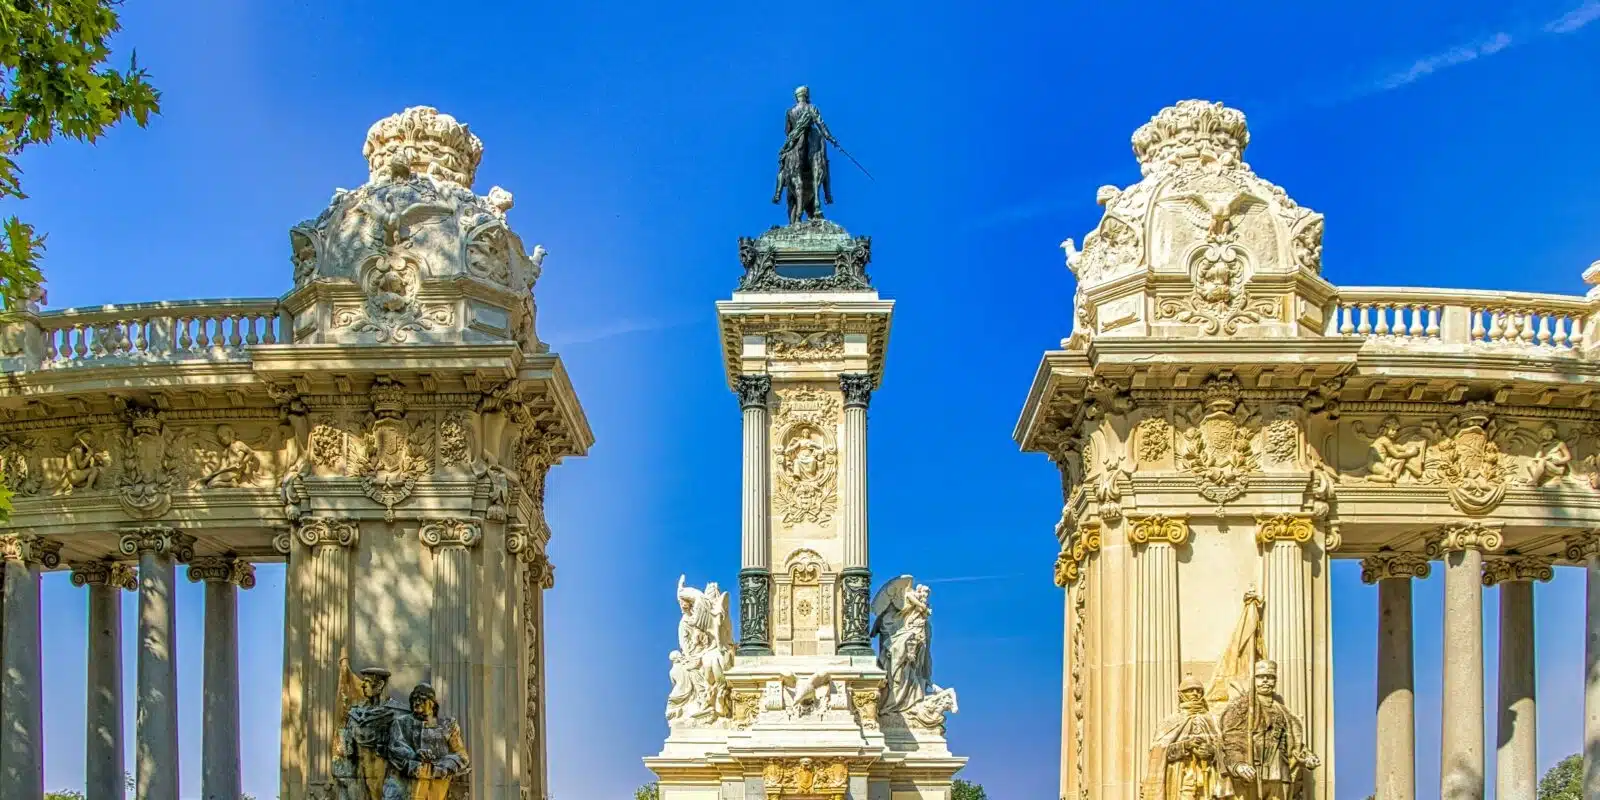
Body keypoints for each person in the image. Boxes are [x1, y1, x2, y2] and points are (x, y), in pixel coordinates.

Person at [1219, 660, 1320, 800]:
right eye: (1261, 676)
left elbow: (1292, 743)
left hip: (1280, 770)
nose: (1265, 680)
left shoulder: (1283, 710)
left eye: (1270, 677)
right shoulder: (1241, 706)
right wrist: (1238, 764)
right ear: (1253, 679)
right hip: (1253, 770)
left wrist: (1306, 756)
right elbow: (1230, 739)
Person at [1141, 675, 1229, 800]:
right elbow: (1159, 753)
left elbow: (1225, 749)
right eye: (1190, 690)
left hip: (1208, 777)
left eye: (1198, 690)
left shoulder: (1212, 720)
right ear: (1181, 694)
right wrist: (1185, 746)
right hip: (1180, 776)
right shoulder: (1170, 721)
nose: (1195, 693)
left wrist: (1212, 751)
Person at [383, 683, 470, 800]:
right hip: (409, 787)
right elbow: (395, 747)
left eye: (422, 698)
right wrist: (414, 755)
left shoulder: (447, 725)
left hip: (438, 787)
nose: (417, 702)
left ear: (432, 702)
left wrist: (445, 766)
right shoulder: (401, 723)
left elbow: (462, 756)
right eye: (414, 698)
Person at [333, 659, 404, 800]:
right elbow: (347, 747)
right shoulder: (356, 713)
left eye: (366, 681)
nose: (363, 685)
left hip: (384, 770)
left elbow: (401, 745)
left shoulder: (395, 712)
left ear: (380, 685)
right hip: (359, 770)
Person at [772, 86, 835, 224]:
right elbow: (821, 124)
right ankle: (826, 195)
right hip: (813, 140)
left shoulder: (790, 112)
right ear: (806, 96)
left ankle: (777, 193)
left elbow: (788, 131)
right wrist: (830, 138)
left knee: (784, 166)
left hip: (796, 143)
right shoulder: (812, 108)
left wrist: (794, 135)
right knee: (823, 164)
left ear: (797, 97)